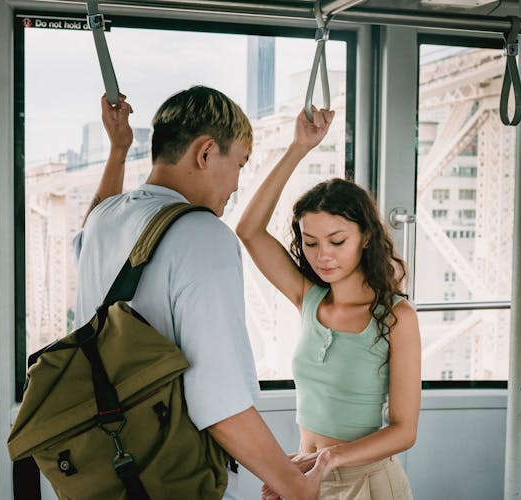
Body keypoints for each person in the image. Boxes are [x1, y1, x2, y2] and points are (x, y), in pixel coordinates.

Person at [73, 87, 330, 500]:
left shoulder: (104, 218)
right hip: (171, 474)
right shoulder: (202, 234)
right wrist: (296, 487)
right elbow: (219, 401)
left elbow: (91, 224)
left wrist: (118, 150)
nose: (236, 184)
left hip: (108, 466)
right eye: (239, 164)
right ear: (206, 153)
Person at [235, 108, 422, 499]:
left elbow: (404, 431)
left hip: (366, 482)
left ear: (366, 237)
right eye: (311, 242)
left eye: (337, 241)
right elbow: (249, 230)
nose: (323, 256)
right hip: (306, 475)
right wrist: (299, 148)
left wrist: (327, 461)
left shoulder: (396, 317)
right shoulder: (309, 297)